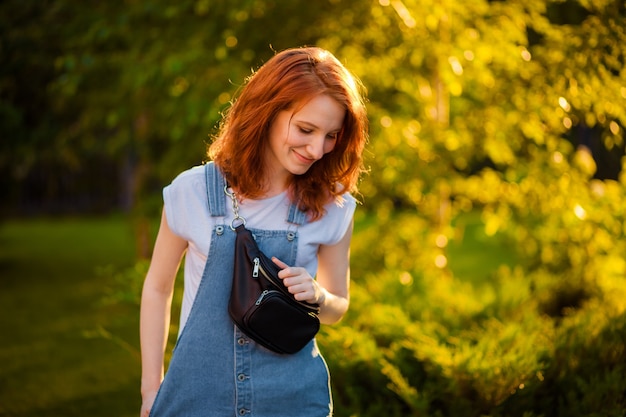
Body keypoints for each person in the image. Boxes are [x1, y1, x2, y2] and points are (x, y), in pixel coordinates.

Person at [139, 46, 368, 417]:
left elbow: (338, 305)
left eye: (331, 136)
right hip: (197, 400)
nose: (317, 149)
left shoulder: (332, 205)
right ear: (266, 112)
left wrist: (318, 297)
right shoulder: (191, 191)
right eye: (306, 129)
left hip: (293, 402)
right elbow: (157, 287)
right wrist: (151, 389)